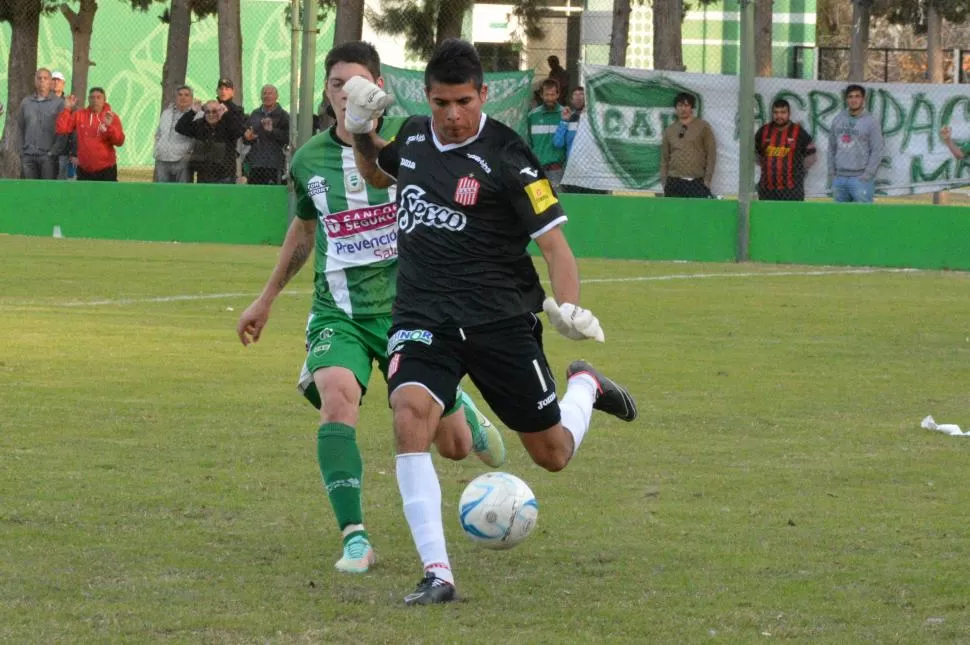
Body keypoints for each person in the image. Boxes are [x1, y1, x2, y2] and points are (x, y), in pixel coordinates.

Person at [347, 38, 637, 606]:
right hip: (422, 315)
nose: (452, 115)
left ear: (483, 94)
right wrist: (359, 128)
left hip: (499, 320)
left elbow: (554, 246)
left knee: (550, 453)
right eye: (439, 103)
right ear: (426, 98)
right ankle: (438, 573)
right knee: (408, 416)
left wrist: (570, 306)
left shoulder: (510, 156)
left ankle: (585, 385)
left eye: (462, 101)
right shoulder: (410, 136)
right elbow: (378, 174)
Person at [235, 41, 505, 575]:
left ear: (377, 89)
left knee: (451, 448)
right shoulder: (309, 158)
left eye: (356, 83)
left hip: (412, 312)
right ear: (327, 93)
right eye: (336, 85)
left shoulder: (412, 146)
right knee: (338, 398)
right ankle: (355, 536)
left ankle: (461, 410)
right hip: (339, 313)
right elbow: (306, 226)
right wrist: (265, 299)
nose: (345, 94)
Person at [828, 84, 883, 203]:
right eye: (850, 97)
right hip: (840, 178)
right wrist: (833, 174)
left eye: (857, 96)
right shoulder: (838, 119)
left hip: (860, 178)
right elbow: (831, 147)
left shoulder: (871, 122)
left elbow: (877, 150)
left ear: (863, 99)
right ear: (846, 99)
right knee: (839, 217)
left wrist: (867, 175)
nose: (854, 100)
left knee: (863, 217)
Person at [55, 87, 125, 182]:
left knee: (106, 197)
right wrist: (67, 109)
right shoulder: (79, 115)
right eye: (92, 97)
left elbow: (119, 141)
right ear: (88, 99)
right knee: (84, 197)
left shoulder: (111, 116)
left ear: (104, 100)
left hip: (107, 169)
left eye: (98, 97)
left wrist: (109, 128)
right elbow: (62, 129)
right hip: (84, 169)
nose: (95, 100)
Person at [754, 99, 817, 201]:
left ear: (789, 113)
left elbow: (812, 156)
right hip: (767, 189)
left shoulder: (799, 132)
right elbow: (756, 153)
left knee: (792, 216)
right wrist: (767, 165)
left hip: (792, 190)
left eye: (783, 112)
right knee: (767, 216)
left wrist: (799, 171)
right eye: (776, 112)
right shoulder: (763, 131)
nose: (779, 116)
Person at [660, 92, 716, 198]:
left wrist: (707, 180)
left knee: (696, 213)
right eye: (680, 106)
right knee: (674, 212)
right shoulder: (669, 130)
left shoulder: (703, 127)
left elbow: (711, 154)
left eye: (686, 105)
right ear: (676, 108)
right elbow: (664, 158)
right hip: (674, 181)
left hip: (697, 181)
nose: (683, 109)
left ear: (692, 108)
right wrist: (664, 182)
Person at [176, 100, 245, 184]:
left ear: (220, 112)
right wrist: (192, 112)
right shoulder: (200, 124)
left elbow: (239, 131)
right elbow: (180, 127)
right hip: (204, 175)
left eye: (214, 111)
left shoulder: (227, 123)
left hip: (225, 176)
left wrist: (226, 115)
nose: (211, 115)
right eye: (207, 112)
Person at [18, 68, 64, 180]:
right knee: (30, 191)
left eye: (45, 78)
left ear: (50, 82)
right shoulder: (26, 102)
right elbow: (20, 127)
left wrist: (53, 152)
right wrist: (21, 150)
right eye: (39, 78)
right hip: (28, 156)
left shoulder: (59, 104)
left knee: (47, 192)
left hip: (48, 157)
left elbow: (63, 131)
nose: (42, 81)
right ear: (35, 81)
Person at [243, 84, 290, 185]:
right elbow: (246, 138)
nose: (267, 96)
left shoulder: (283, 115)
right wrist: (248, 137)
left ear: (276, 96)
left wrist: (272, 131)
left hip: (275, 164)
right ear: (260, 97)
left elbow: (288, 137)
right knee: (255, 193)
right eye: (264, 93)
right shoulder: (255, 114)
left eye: (270, 93)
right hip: (256, 163)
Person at [527, 78, 566, 188]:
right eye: (547, 95)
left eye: (552, 95)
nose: (549, 98)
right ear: (541, 95)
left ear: (558, 95)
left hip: (557, 170)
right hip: (537, 169)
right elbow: (529, 142)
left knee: (557, 202)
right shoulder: (532, 116)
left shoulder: (565, 115)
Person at [153, 85, 196, 183]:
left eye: (186, 95)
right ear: (176, 97)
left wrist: (188, 155)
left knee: (182, 193)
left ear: (192, 98)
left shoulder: (197, 114)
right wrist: (157, 147)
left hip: (182, 160)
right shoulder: (166, 113)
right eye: (180, 95)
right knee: (162, 192)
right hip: (162, 159)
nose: (183, 97)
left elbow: (196, 137)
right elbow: (158, 134)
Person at [50, 71, 72, 180]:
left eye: (58, 80)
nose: (55, 83)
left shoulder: (69, 103)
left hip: (63, 150)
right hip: (45, 149)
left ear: (63, 84)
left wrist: (73, 152)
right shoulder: (41, 101)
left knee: (61, 181)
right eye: (53, 80)